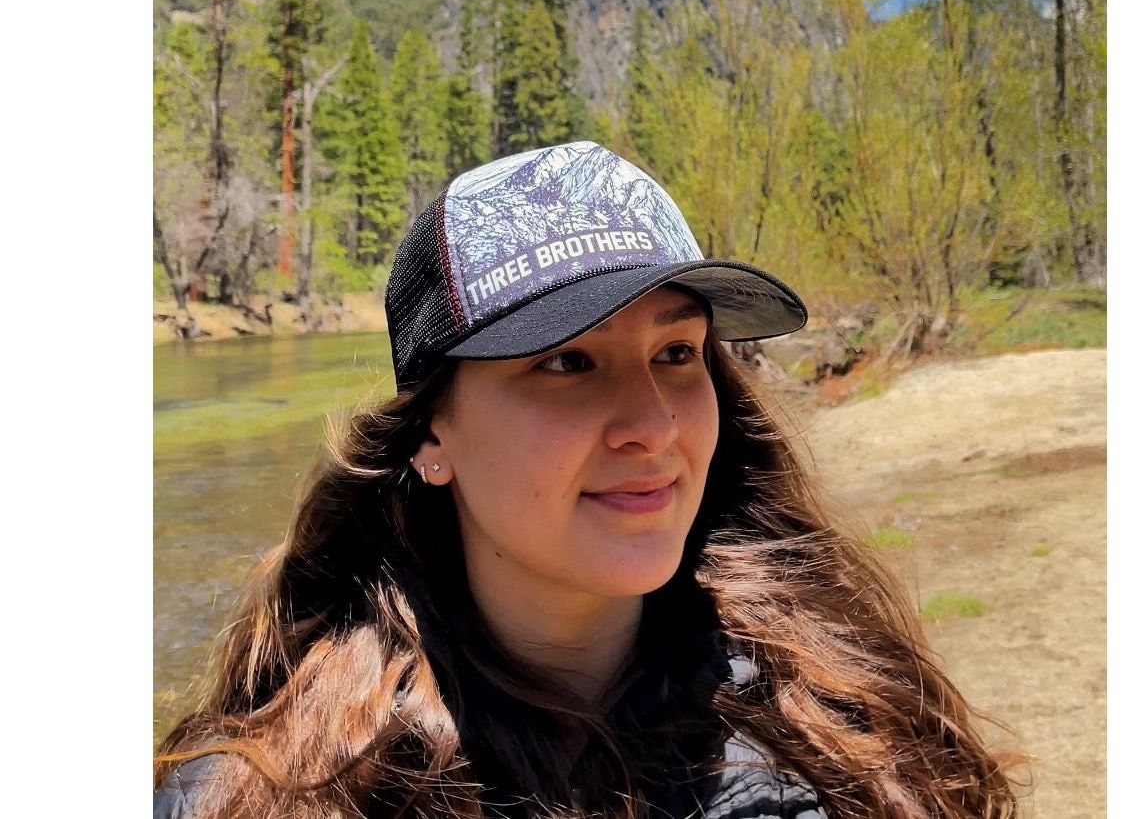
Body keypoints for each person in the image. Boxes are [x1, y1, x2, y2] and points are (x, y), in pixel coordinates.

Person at [155, 140, 1020, 818]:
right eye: (568, 361)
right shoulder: (271, 795)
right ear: (432, 434)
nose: (654, 425)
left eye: (677, 353)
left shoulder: (852, 729)